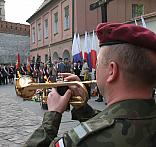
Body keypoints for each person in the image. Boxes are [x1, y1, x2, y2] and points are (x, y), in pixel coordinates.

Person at [24, 22, 156, 147]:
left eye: (97, 64)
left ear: (111, 70)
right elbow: (113, 123)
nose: (96, 68)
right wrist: (82, 107)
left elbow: (106, 126)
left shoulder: (76, 142)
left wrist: (52, 116)